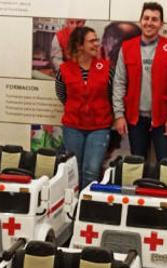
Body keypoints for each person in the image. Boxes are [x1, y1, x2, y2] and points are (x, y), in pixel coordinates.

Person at [112, 2, 167, 160]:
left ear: (161, 24)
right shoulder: (127, 47)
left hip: (163, 118)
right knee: (137, 164)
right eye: (146, 18)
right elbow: (119, 82)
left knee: (165, 165)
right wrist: (119, 115)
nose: (149, 23)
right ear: (140, 20)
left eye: (154, 19)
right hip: (135, 118)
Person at [56, 27, 114, 189]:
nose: (97, 44)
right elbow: (62, 96)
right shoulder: (64, 70)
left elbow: (112, 95)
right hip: (73, 126)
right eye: (92, 41)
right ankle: (72, 204)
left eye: (97, 40)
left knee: (91, 170)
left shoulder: (107, 68)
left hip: (99, 127)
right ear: (80, 45)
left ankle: (85, 206)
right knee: (74, 170)